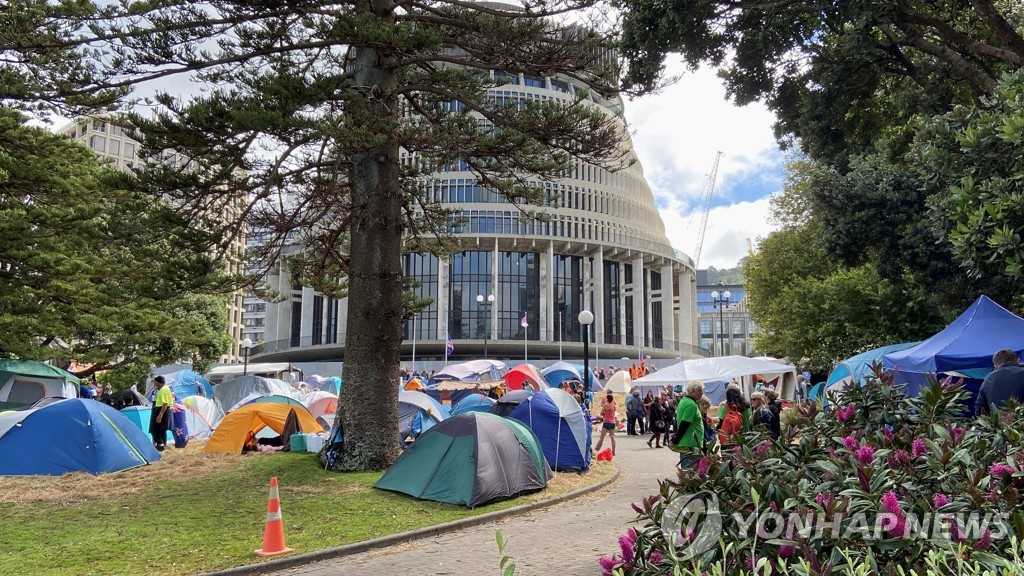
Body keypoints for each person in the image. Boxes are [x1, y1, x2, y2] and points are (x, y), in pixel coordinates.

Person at [976, 349, 1024, 415]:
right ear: (1018, 360)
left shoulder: (988, 379)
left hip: (1000, 423)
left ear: (995, 366)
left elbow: (980, 409)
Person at [673, 381, 706, 467]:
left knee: (687, 473)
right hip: (691, 445)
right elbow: (684, 423)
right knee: (690, 473)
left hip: (687, 444)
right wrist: (675, 440)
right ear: (692, 391)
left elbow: (678, 421)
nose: (702, 393)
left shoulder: (683, 401)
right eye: (699, 390)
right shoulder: (691, 404)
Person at [149, 375, 173, 451]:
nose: (154, 384)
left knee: (153, 429)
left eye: (155, 382)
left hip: (162, 410)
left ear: (158, 382)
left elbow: (165, 403)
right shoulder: (163, 389)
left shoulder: (164, 389)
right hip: (160, 409)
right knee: (161, 430)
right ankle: (163, 445)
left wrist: (160, 414)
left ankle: (160, 443)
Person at [594, 391, 617, 456]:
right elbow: (613, 413)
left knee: (602, 438)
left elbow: (601, 413)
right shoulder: (614, 406)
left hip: (606, 422)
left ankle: (596, 450)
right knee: (612, 437)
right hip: (613, 422)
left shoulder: (606, 405)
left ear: (607, 399)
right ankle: (613, 451)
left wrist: (605, 414)